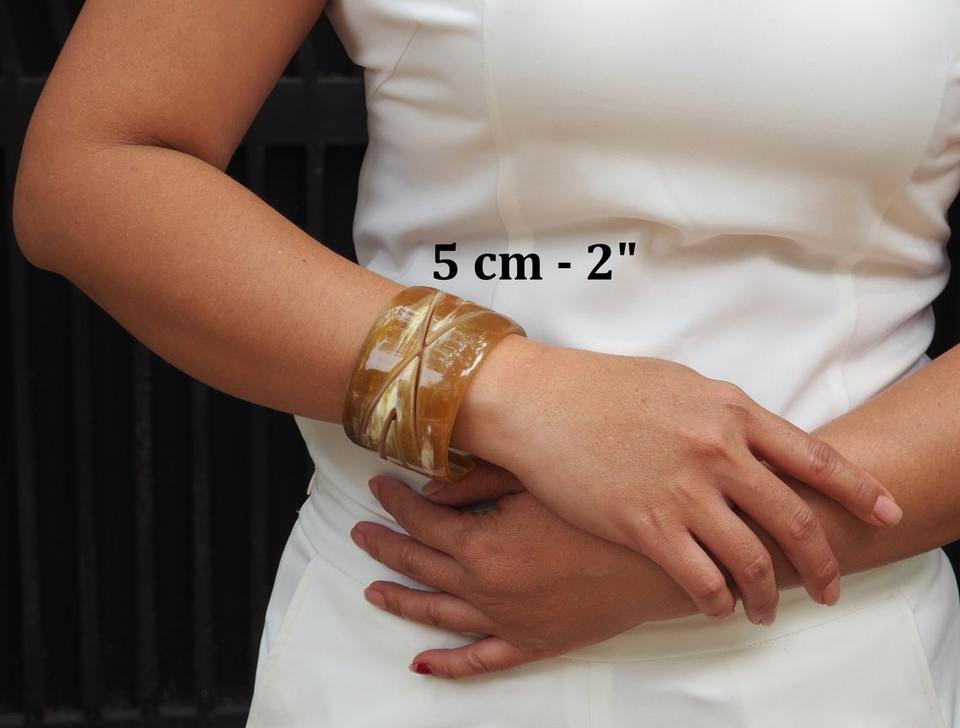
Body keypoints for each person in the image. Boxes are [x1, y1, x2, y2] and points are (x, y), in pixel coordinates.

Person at [12, 1, 960, 725]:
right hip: (420, 630)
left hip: (836, 655)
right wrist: (507, 387)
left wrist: (698, 557)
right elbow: (95, 165)